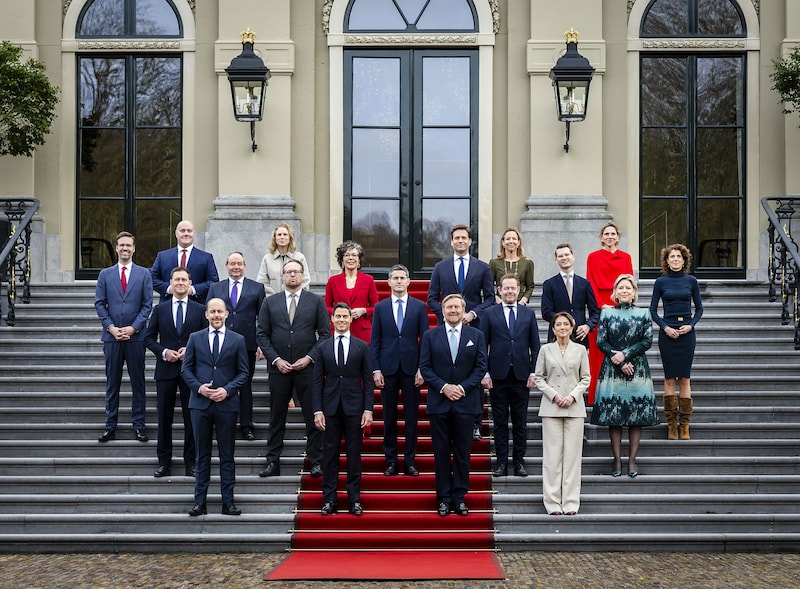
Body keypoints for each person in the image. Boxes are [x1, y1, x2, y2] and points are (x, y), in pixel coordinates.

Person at [256, 259, 330, 478]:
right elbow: (261, 334)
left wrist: (309, 358)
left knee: (312, 416)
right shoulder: (270, 302)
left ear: (303, 274)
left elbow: (325, 334)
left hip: (307, 369)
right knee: (276, 416)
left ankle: (316, 461)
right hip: (279, 370)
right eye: (288, 272)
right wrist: (276, 360)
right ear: (282, 276)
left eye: (296, 272)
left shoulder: (316, 302)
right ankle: (272, 462)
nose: (292, 276)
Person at [419, 294, 487, 517]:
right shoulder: (430, 336)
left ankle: (459, 497)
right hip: (439, 403)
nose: (453, 310)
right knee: (440, 453)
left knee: (462, 453)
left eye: (457, 307)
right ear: (443, 310)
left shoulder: (476, 335)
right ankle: (444, 498)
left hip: (466, 403)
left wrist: (462, 388)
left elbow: (480, 368)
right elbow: (425, 368)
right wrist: (444, 387)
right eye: (449, 307)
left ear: (463, 309)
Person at [182, 298, 250, 516]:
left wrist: (227, 390)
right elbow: (186, 369)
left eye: (220, 311)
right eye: (213, 312)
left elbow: (243, 373)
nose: (217, 315)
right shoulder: (195, 338)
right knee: (202, 456)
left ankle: (227, 502)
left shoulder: (238, 340)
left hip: (226, 405)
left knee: (227, 455)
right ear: (207, 315)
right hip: (200, 405)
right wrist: (199, 388)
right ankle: (199, 502)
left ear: (226, 314)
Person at [427, 224, 494, 441]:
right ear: (451, 242)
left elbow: (490, 298)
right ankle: (446, 413)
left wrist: (472, 314)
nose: (460, 241)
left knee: (473, 373)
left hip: (473, 327)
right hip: (447, 328)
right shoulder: (440, 267)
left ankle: (475, 423)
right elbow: (431, 298)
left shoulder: (482, 267)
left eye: (464, 238)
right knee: (449, 370)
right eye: (456, 238)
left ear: (470, 241)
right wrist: (449, 315)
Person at [589, 274, 658, 478]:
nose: (625, 291)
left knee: (636, 416)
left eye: (628, 288)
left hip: (638, 369)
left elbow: (647, 341)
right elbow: (601, 341)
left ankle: (632, 459)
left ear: (634, 292)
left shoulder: (644, 313)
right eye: (621, 288)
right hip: (612, 369)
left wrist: (625, 355)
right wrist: (618, 359)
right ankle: (617, 458)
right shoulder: (607, 314)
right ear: (615, 293)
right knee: (615, 417)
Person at [144, 267, 207, 477]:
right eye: (177, 279)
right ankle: (164, 462)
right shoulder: (159, 309)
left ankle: (192, 463)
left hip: (192, 373)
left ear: (190, 283)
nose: (180, 283)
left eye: (184, 280)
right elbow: (148, 338)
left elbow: (207, 338)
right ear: (170, 283)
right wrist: (163, 352)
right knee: (164, 419)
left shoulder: (200, 310)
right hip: (166, 371)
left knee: (192, 419)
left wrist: (190, 349)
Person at [313, 303, 374, 516]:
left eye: (344, 316)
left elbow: (367, 380)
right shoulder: (322, 347)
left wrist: (368, 409)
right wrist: (317, 410)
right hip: (329, 409)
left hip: (354, 408)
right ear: (332, 320)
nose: (340, 319)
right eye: (337, 316)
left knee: (354, 455)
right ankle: (329, 500)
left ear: (350, 319)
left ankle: (354, 499)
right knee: (329, 456)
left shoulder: (362, 347)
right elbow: (317, 382)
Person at [94, 231, 153, 443]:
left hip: (135, 339)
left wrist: (133, 328)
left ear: (134, 249)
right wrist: (111, 327)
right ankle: (111, 425)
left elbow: (148, 305)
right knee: (113, 383)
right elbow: (99, 303)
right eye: (122, 245)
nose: (125, 249)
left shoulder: (144, 274)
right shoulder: (105, 274)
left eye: (129, 245)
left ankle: (139, 425)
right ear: (116, 248)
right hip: (112, 338)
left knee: (138, 383)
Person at [370, 264, 429, 477]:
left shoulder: (419, 307)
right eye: (395, 278)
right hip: (387, 369)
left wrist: (423, 368)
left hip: (412, 369)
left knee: (412, 418)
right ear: (388, 282)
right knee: (389, 417)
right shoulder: (380, 307)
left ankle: (410, 461)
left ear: (408, 281)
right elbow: (374, 340)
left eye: (402, 277)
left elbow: (426, 340)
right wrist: (375, 369)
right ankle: (391, 461)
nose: (398, 281)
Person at [480, 274, 541, 478]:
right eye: (505, 288)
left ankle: (519, 463)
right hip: (497, 376)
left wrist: (533, 372)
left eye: (513, 288)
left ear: (518, 290)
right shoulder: (489, 313)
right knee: (499, 423)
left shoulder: (528, 314)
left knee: (520, 422)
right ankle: (501, 464)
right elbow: (482, 346)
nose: (509, 291)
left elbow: (535, 345)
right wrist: (485, 373)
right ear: (499, 290)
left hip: (522, 376)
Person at [534, 312, 590, 516]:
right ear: (553, 328)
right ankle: (552, 502)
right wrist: (555, 395)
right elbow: (539, 378)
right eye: (558, 324)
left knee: (572, 457)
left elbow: (586, 378)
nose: (562, 327)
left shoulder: (581, 350)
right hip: (552, 407)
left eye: (566, 324)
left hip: (574, 408)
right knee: (552, 457)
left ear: (572, 327)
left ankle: (571, 502)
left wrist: (572, 396)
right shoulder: (545, 350)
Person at [207, 252, 266, 441]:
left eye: (239, 263)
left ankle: (247, 425)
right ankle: (223, 423)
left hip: (247, 345)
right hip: (221, 343)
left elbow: (262, 319)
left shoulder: (257, 288)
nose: (236, 267)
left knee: (245, 384)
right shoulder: (216, 287)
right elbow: (206, 315)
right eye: (232, 264)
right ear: (226, 266)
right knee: (221, 382)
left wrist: (261, 344)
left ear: (245, 266)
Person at [649, 244, 703, 440]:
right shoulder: (660, 282)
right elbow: (653, 310)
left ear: (684, 260)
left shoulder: (692, 281)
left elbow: (699, 309)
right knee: (670, 379)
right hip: (668, 334)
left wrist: (691, 326)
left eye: (678, 257)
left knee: (685, 379)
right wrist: (665, 327)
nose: (675, 259)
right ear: (666, 260)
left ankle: (685, 425)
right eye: (672, 257)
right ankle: (672, 425)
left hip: (687, 334)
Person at [586, 222, 634, 404]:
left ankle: (620, 391)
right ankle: (597, 395)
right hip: (601, 307)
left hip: (621, 303)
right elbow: (590, 282)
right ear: (601, 238)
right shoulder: (593, 257)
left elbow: (628, 283)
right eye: (606, 234)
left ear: (618, 237)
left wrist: (623, 303)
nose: (609, 237)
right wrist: (601, 305)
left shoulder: (626, 257)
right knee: (600, 350)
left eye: (613, 234)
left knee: (622, 346)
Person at [541, 243, 600, 347]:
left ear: (573, 257)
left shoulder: (585, 284)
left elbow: (595, 312)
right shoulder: (549, 284)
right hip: (557, 337)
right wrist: (564, 321)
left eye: (567, 255)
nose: (564, 258)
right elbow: (546, 312)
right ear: (556, 260)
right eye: (560, 256)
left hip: (579, 337)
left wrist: (588, 326)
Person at [151, 220, 219, 304]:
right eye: (182, 230)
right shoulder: (163, 256)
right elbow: (152, 278)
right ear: (176, 234)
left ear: (194, 234)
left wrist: (193, 290)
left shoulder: (206, 257)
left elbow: (213, 282)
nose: (186, 233)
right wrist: (169, 289)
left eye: (189, 231)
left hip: (196, 307)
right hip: (167, 307)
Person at [324, 240, 379, 343]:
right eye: (347, 255)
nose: (350, 258)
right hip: (339, 328)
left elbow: (376, 307)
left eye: (354, 255)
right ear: (342, 260)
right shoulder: (333, 281)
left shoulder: (368, 280)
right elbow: (326, 307)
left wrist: (364, 311)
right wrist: (341, 313)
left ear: (359, 260)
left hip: (362, 331)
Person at [256, 223, 310, 295]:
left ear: (290, 237)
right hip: (273, 302)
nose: (282, 237)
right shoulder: (267, 259)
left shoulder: (299, 257)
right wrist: (273, 299)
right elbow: (262, 282)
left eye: (285, 234)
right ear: (275, 238)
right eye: (279, 235)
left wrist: (293, 297)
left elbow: (305, 281)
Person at [488, 228, 534, 305]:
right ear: (503, 242)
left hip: (520, 305)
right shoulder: (494, 263)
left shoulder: (527, 263)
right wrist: (499, 302)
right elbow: (489, 286)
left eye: (514, 239)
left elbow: (530, 287)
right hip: (499, 305)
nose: (511, 241)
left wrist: (522, 302)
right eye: (508, 239)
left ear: (519, 242)